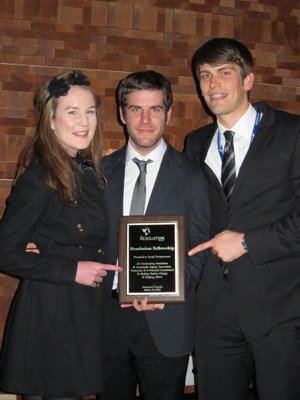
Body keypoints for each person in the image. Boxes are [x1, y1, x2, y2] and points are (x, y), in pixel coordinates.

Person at [184, 37, 300, 400]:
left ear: (248, 80)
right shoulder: (195, 142)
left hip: (279, 308)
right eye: (204, 76)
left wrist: (248, 241)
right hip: (214, 311)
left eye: (224, 73)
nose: (213, 84)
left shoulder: (293, 133)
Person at [0, 71, 121, 399]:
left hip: (79, 307)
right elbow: (5, 252)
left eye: (90, 111)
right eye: (72, 112)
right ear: (51, 121)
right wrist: (73, 269)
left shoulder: (84, 168)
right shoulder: (40, 177)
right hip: (52, 311)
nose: (84, 121)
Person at [100, 70, 210, 400]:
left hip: (168, 320)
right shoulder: (99, 173)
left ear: (168, 113)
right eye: (136, 109)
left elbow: (200, 246)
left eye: (155, 109)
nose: (145, 120)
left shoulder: (193, 175)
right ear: (122, 113)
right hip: (107, 320)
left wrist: (169, 288)